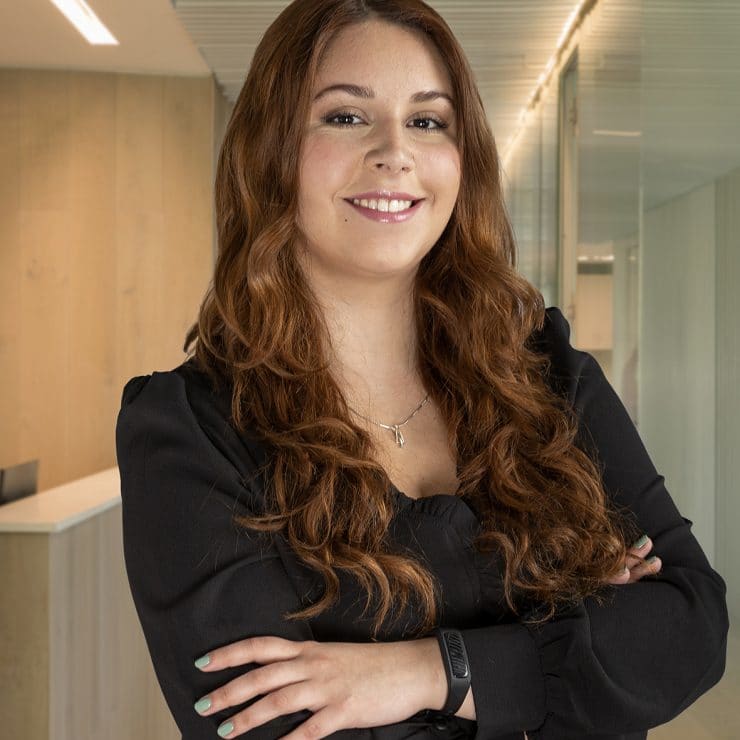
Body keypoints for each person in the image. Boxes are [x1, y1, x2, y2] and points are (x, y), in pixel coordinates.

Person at [115, 1, 729, 738]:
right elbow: (276, 726)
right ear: (270, 150)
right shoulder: (190, 433)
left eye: (428, 120)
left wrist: (428, 672)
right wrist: (574, 652)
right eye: (346, 116)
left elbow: (690, 624)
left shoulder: (545, 370)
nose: (395, 152)